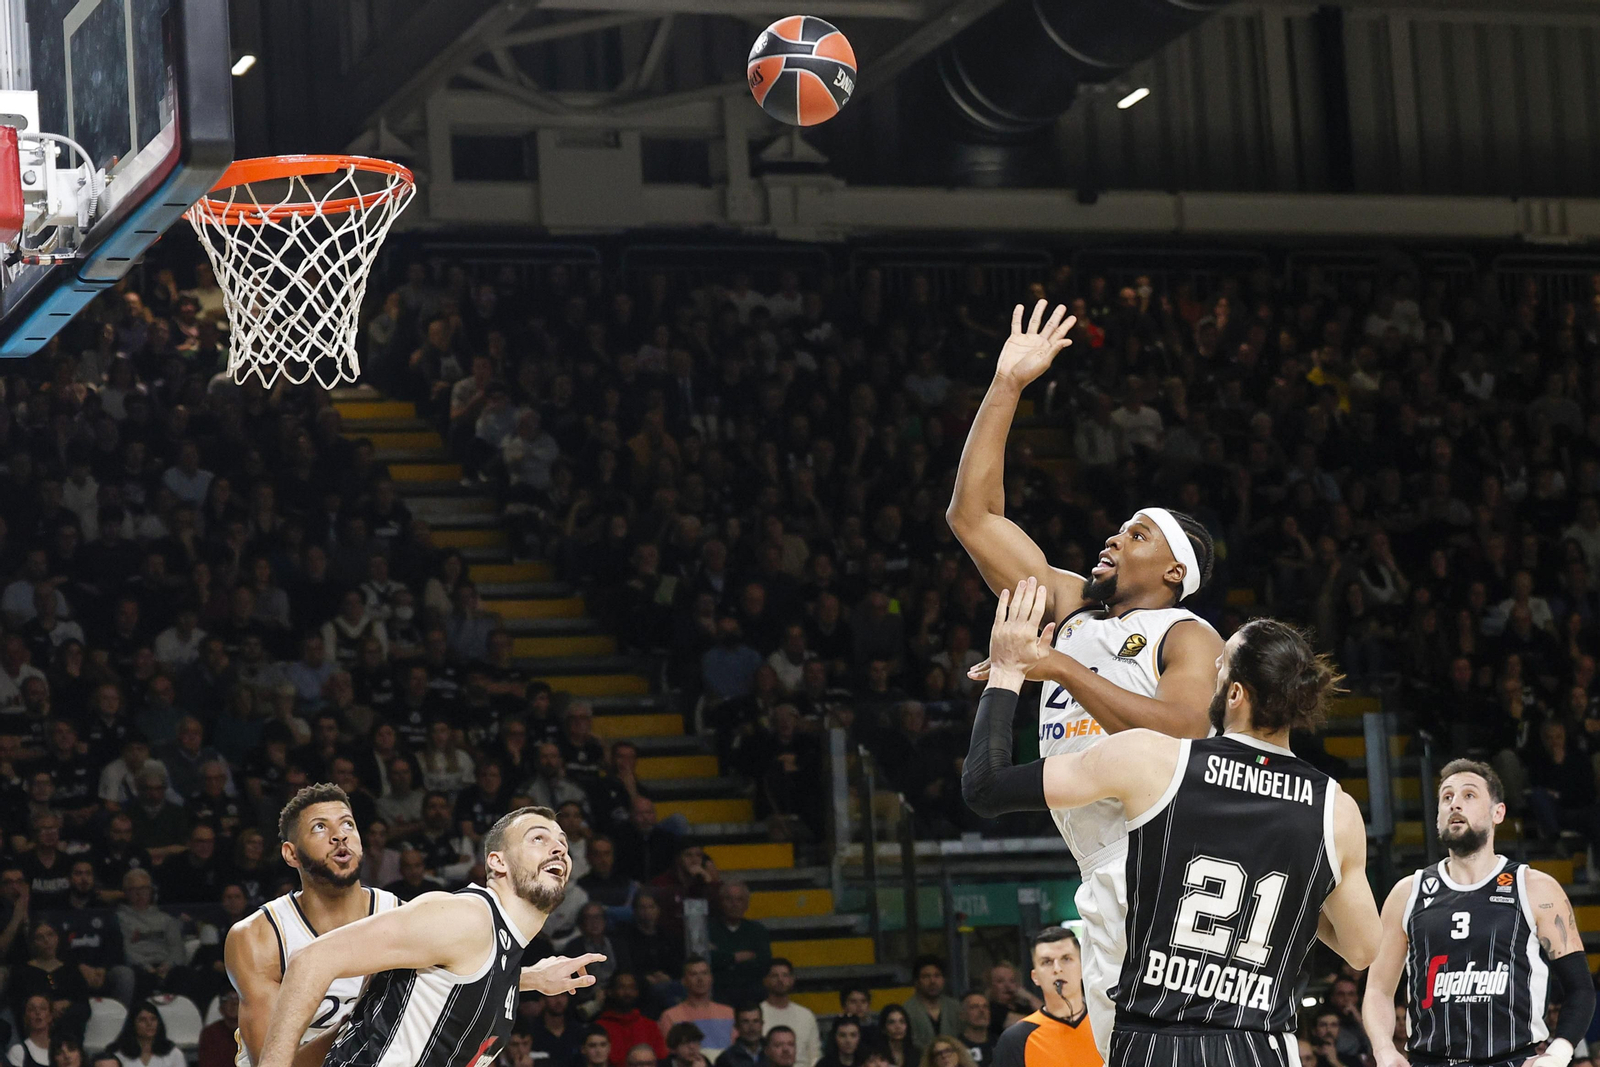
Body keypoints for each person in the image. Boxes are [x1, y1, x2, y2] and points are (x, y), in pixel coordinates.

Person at [948, 302, 1223, 1055]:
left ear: (1173, 572)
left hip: (1171, 859)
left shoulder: (1186, 632)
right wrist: (1006, 385)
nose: (1113, 535)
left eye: (1136, 533)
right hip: (1100, 865)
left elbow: (1187, 726)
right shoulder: (1069, 606)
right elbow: (973, 516)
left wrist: (1056, 666)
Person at [962, 580, 1382, 1064]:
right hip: (1262, 1046)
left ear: (1236, 693)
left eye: (1218, 665)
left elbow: (985, 787)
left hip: (1157, 1042)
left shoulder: (1152, 758)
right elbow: (1362, 948)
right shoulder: (1336, 808)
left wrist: (1008, 673)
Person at [254, 806, 604, 1067]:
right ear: (497, 863)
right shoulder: (465, 918)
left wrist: (528, 979)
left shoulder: (500, 951)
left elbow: (452, 982)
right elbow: (311, 960)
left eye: (563, 843)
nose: (559, 849)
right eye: (538, 839)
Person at [1362, 760, 1595, 1067]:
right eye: (1446, 798)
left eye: (1469, 795)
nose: (1455, 803)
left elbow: (1580, 989)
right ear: (1437, 817)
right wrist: (1384, 1050)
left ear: (1498, 813)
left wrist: (1559, 1053)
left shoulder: (1535, 888)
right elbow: (1378, 989)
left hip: (1512, 1059)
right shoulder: (1407, 893)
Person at [225, 783, 404, 1067]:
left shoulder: (403, 917)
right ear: (291, 854)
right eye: (320, 828)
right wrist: (357, 1021)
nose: (339, 836)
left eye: (347, 824)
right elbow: (272, 1063)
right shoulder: (260, 936)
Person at [990, 927, 1101, 1067]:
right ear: (1035, 977)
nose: (1057, 969)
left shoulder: (1108, 1026)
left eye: (1066, 959)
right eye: (1047, 962)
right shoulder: (1016, 1040)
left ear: (1082, 967)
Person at [708, 881, 770, 1007]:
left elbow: (764, 965)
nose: (734, 904)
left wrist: (722, 957)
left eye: (739, 900)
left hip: (750, 994)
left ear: (746, 904)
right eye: (729, 899)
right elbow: (707, 961)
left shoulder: (758, 930)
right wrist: (735, 957)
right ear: (721, 903)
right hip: (717, 992)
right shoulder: (708, 929)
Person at [657, 956, 734, 1051]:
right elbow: (670, 1054)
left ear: (711, 978)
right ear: (684, 981)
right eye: (694, 974)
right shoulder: (670, 1017)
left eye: (704, 973)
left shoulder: (729, 1013)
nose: (700, 979)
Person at [597, 973, 668, 1067]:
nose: (627, 992)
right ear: (610, 991)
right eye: (622, 987)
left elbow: (661, 1057)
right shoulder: (600, 1027)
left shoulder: (650, 1025)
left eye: (632, 988)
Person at [758, 959, 819, 1067]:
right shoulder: (756, 1014)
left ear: (792, 980)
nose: (780, 980)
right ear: (765, 980)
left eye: (785, 975)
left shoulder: (806, 1015)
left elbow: (815, 1055)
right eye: (774, 976)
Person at [903, 957, 962, 1049]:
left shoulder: (955, 1007)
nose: (933, 981)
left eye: (937, 976)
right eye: (926, 977)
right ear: (917, 982)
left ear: (943, 980)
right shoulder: (907, 1010)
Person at [110, 1002, 185, 1067]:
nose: (149, 1024)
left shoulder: (174, 1054)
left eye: (153, 1019)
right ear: (132, 1024)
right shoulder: (118, 1055)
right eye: (142, 1020)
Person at [7, 996, 51, 1067]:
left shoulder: (61, 1050)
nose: (38, 1012)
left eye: (43, 1008)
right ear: (25, 1018)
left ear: (50, 1016)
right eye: (31, 1009)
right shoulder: (18, 1051)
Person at [955, 996, 993, 1066]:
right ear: (962, 1015)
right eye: (974, 1007)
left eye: (985, 1007)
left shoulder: (999, 1043)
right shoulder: (956, 1047)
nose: (982, 1010)